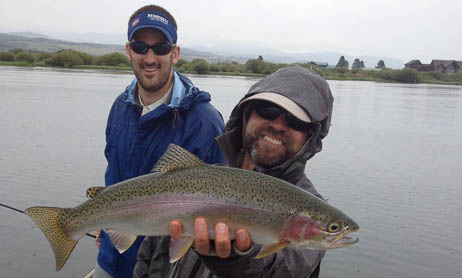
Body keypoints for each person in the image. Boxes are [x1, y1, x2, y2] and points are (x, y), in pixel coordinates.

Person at [134, 64, 334, 278]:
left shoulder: (313, 214)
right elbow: (148, 259)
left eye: (296, 121)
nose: (278, 125)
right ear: (246, 114)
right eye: (268, 110)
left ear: (310, 137)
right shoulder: (196, 181)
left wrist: (235, 256)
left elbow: (281, 270)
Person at [94, 4, 226, 278]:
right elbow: (113, 176)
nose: (150, 57)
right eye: (141, 47)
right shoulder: (120, 107)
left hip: (164, 270)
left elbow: (221, 205)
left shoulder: (205, 120)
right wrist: (103, 218)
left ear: (174, 53)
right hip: (111, 258)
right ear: (129, 51)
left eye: (161, 47)